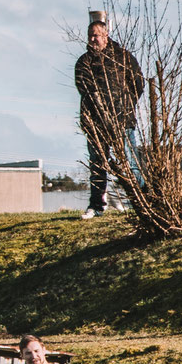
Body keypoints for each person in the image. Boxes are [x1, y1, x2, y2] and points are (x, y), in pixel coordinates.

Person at [75, 11, 145, 219]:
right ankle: (97, 206)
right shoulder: (84, 62)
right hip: (95, 123)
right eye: (90, 35)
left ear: (106, 35)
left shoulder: (123, 57)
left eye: (96, 35)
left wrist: (124, 105)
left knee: (130, 163)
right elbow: (84, 89)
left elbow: (138, 84)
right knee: (97, 165)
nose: (93, 39)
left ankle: (141, 201)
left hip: (122, 120)